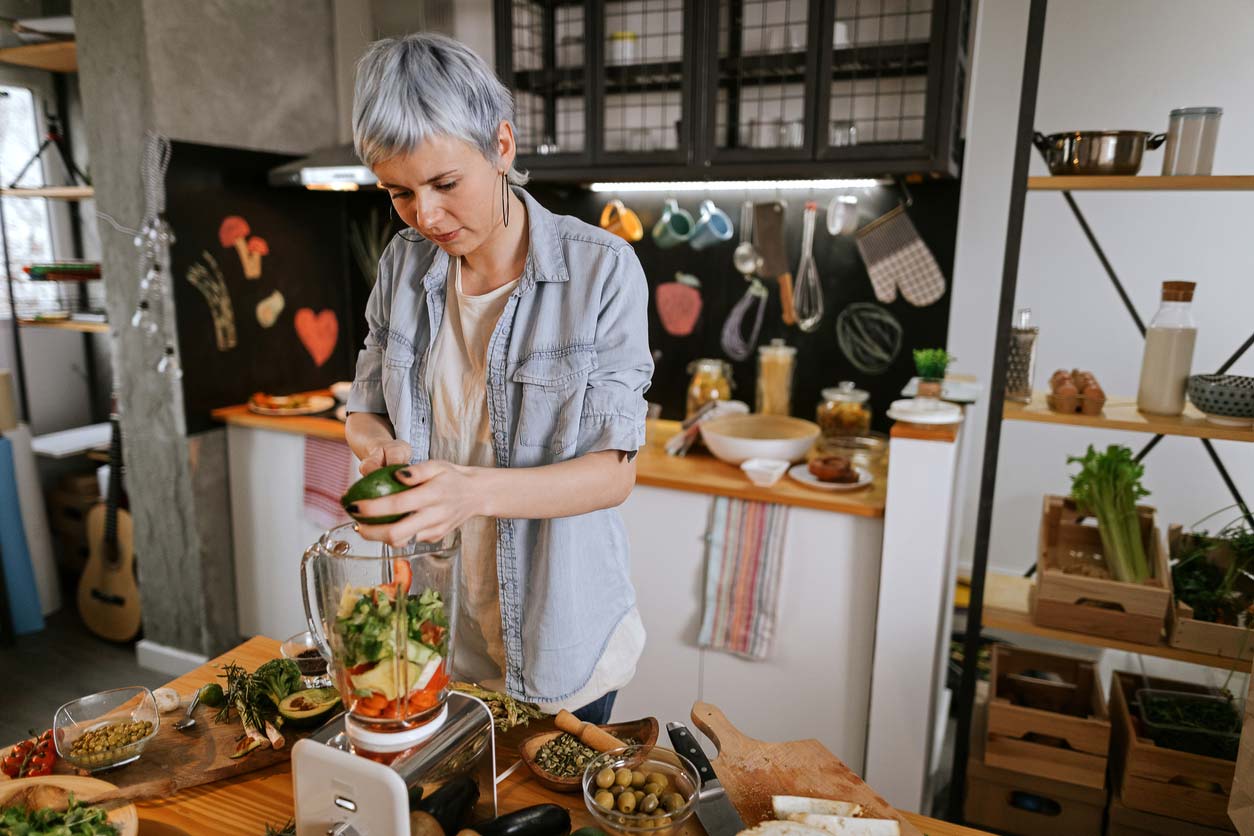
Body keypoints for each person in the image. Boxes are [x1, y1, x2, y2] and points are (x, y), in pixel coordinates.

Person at [343, 33, 653, 725]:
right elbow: (364, 408)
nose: (425, 216)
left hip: (559, 643)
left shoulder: (600, 271)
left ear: (502, 146)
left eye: (445, 184)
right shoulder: (402, 267)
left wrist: (468, 492)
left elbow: (614, 473)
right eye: (398, 193)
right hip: (435, 637)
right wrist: (378, 452)